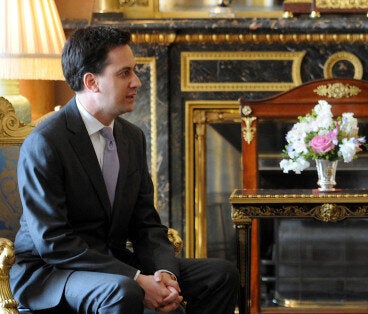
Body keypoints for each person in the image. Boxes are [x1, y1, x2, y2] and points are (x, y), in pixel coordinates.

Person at [10, 26, 239, 313]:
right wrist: (136, 279)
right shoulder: (46, 142)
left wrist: (164, 275)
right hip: (51, 273)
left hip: (114, 263)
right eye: (124, 73)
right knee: (123, 290)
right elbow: (54, 243)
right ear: (91, 82)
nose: (137, 82)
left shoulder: (132, 137)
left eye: (135, 71)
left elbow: (146, 225)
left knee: (220, 275)